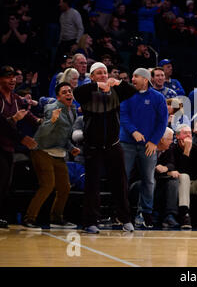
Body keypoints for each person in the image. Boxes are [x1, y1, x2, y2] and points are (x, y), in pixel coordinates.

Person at [73, 62, 137, 234]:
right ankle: (90, 222)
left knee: (120, 184)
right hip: (93, 147)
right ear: (92, 76)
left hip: (113, 145)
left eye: (105, 73)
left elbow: (133, 90)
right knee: (92, 185)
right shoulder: (87, 92)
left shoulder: (116, 91)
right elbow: (76, 93)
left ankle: (125, 219)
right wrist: (96, 86)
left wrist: (119, 83)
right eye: (99, 73)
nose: (103, 76)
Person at [23, 82, 79, 230]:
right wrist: (52, 121)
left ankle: (56, 219)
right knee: (47, 185)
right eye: (64, 92)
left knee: (65, 187)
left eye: (70, 91)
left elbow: (64, 135)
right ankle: (29, 219)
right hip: (41, 150)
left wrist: (71, 148)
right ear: (58, 96)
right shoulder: (52, 108)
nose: (68, 94)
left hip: (58, 152)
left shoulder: (72, 110)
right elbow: (42, 133)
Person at [119, 68, 168, 229]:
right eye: (132, 75)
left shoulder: (158, 98)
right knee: (123, 178)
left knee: (148, 179)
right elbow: (123, 116)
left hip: (148, 145)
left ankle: (145, 213)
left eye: (136, 76)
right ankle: (121, 213)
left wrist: (154, 141)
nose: (132, 79)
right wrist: (133, 131)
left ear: (145, 80)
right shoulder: (127, 94)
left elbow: (162, 121)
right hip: (127, 143)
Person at [0, 67, 38, 229]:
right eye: (8, 77)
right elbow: (1, 124)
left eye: (14, 77)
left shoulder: (15, 98)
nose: (12, 80)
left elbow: (29, 114)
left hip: (9, 147)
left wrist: (43, 121)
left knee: (4, 184)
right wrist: (21, 136)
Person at [168, 124, 197, 229]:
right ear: (178, 136)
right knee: (184, 176)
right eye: (185, 133)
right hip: (181, 184)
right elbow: (180, 170)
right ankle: (185, 214)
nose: (188, 135)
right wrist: (186, 151)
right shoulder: (173, 149)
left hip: (196, 184)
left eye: (189, 133)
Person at [153, 127, 180, 228]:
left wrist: (166, 169)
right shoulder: (149, 148)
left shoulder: (169, 149)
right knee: (152, 182)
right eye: (169, 139)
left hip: (160, 179)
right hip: (140, 182)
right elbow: (143, 172)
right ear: (161, 139)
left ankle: (170, 215)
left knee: (173, 181)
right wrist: (156, 168)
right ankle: (149, 213)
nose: (172, 142)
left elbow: (172, 164)